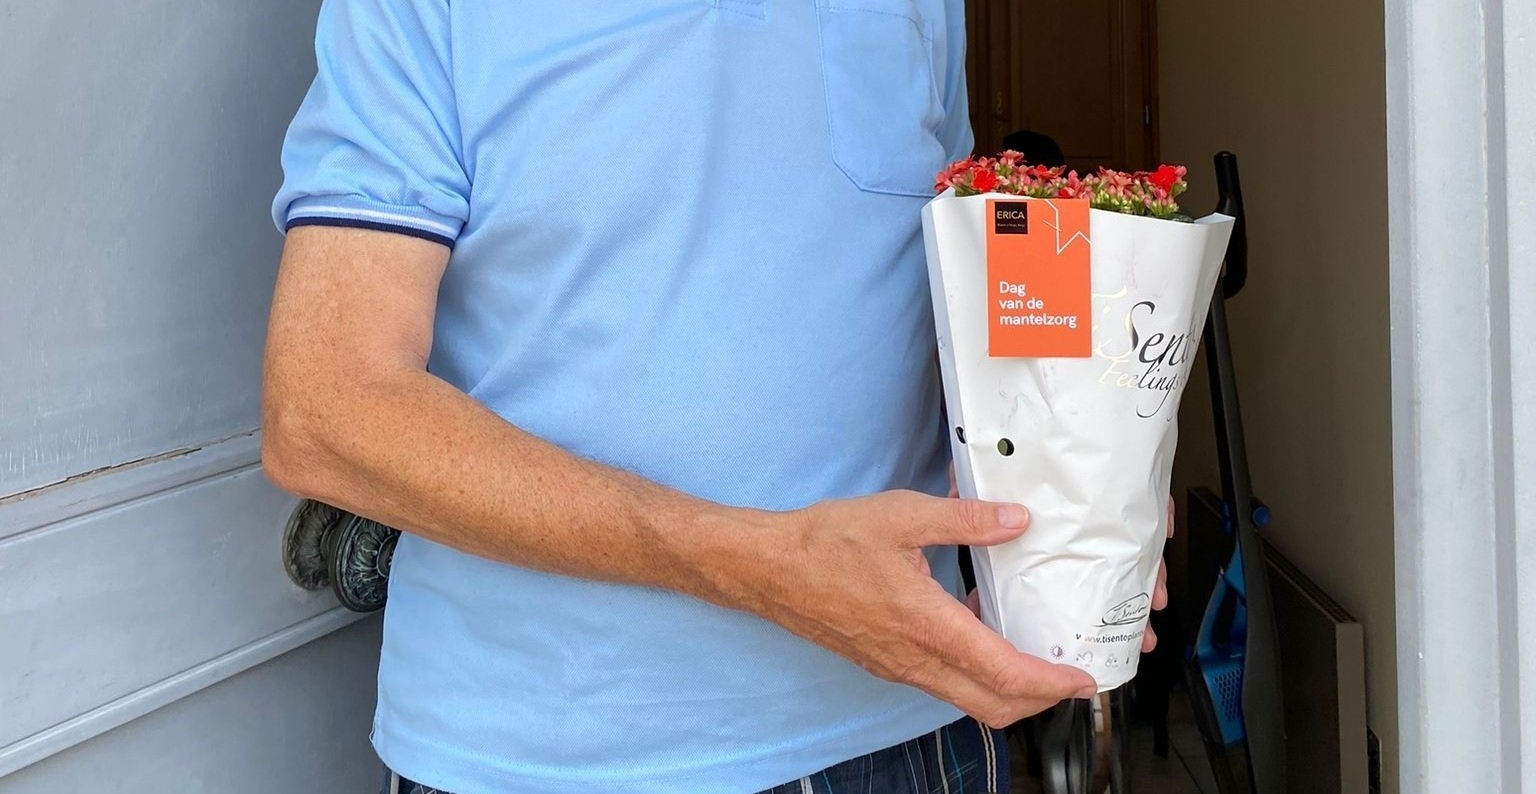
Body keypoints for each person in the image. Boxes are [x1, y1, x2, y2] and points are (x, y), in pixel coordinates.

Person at [262, 2, 1163, 792]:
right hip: (544, 759)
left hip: (908, 717)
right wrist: (756, 567)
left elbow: (958, 277)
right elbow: (326, 409)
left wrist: (1078, 486)